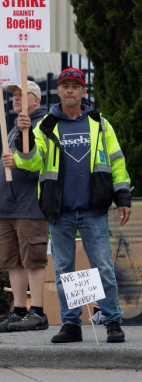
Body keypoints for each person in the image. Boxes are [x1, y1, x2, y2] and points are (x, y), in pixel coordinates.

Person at [3, 68, 132, 344]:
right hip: (59, 211)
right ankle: (71, 324)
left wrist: (123, 198)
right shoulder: (46, 125)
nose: (70, 90)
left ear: (84, 92)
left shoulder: (100, 123)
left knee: (104, 268)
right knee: (64, 271)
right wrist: (23, 145)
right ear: (58, 91)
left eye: (76, 85)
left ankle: (112, 321)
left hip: (92, 209)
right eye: (65, 86)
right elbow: (32, 163)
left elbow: (116, 161)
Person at [0, 81, 49, 332]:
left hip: (30, 204)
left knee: (33, 259)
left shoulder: (41, 124)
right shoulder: (15, 125)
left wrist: (17, 159)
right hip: (8, 204)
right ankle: (19, 309)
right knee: (13, 260)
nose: (16, 98)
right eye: (15, 95)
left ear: (36, 100)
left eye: (23, 95)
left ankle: (38, 311)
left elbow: (38, 162)